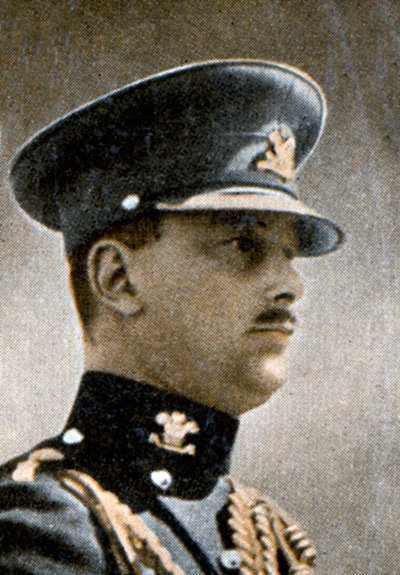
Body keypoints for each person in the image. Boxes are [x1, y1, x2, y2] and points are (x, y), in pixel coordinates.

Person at [0, 60, 343, 575]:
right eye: (243, 244)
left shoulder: (268, 538)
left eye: (288, 255)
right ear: (117, 278)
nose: (290, 285)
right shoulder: (41, 528)